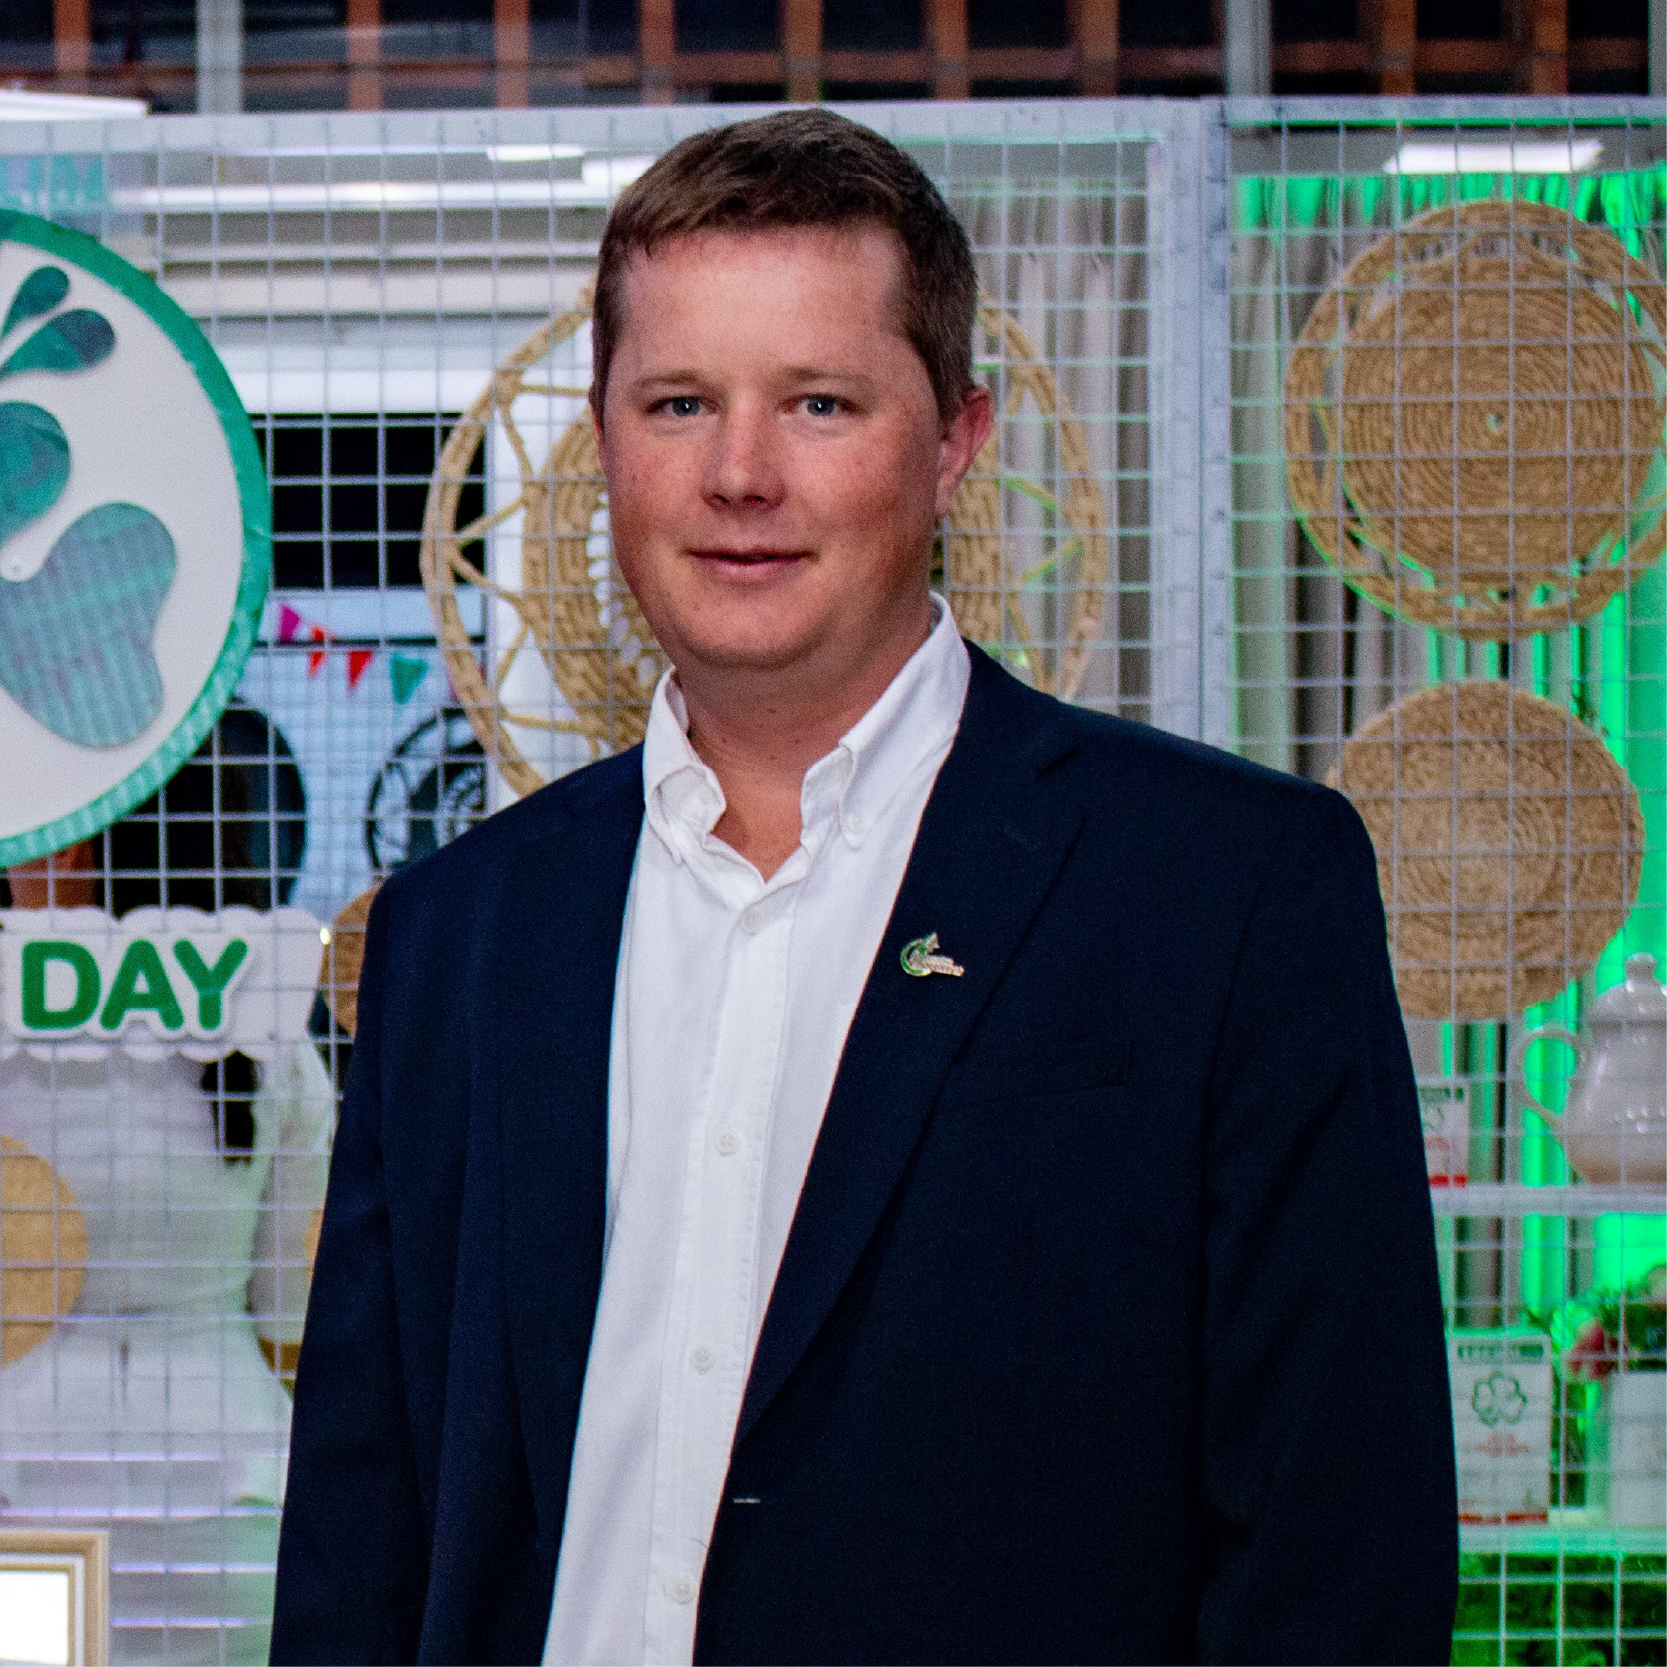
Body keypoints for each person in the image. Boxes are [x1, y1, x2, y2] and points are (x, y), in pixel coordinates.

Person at [270, 108, 1456, 1665]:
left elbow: (1339, 1543)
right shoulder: (459, 934)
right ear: (605, 441)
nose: (739, 475)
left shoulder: (1225, 893)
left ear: (956, 439)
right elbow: (363, 1531)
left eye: (819, 404)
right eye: (680, 403)